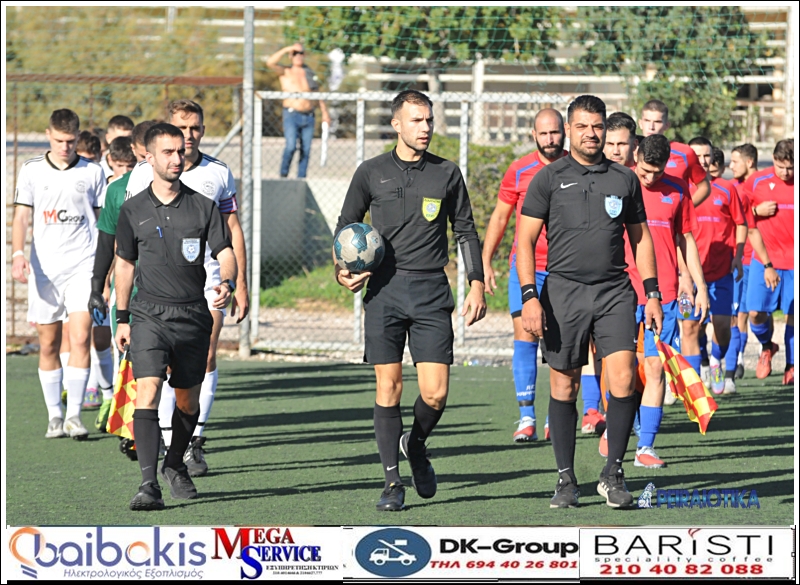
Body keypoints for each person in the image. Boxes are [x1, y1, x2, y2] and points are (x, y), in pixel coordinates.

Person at [334, 89, 486, 512]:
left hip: (431, 291)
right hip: (383, 291)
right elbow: (346, 227)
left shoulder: (447, 173)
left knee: (435, 394)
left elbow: (465, 231)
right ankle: (392, 482)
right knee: (389, 385)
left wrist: (475, 282)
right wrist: (341, 269)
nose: (425, 127)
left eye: (429, 120)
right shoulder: (370, 172)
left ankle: (415, 444)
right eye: (416, 120)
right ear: (396, 124)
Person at [517, 95, 663, 509]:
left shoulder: (624, 179)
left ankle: (612, 473)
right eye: (582, 126)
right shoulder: (548, 178)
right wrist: (529, 297)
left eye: (597, 126)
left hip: (614, 291)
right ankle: (566, 479)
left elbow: (641, 239)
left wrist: (652, 292)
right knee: (564, 385)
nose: (591, 134)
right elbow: (525, 240)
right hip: (562, 293)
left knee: (624, 376)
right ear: (569, 129)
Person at [114, 123, 236, 511]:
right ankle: (148, 484)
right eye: (167, 152)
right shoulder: (133, 209)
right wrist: (121, 317)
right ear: (149, 157)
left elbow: (225, 251)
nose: (177, 158)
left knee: (187, 402)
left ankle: (174, 463)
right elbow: (124, 264)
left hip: (193, 314)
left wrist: (228, 282)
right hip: (148, 314)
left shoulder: (203, 206)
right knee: (148, 392)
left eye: (180, 151)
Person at [11, 108, 106, 440]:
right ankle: (55, 416)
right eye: (60, 140)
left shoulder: (93, 172)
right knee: (49, 343)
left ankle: (75, 416)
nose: (65, 146)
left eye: (71, 140)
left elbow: (103, 223)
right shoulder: (32, 170)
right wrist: (18, 254)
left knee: (80, 337)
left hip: (84, 266)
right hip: (45, 270)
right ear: (48, 135)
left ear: (78, 137)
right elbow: (22, 217)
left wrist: (106, 268)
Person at [618, 134, 708, 468]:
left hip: (665, 293)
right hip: (621, 290)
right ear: (636, 155)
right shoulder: (619, 182)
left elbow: (686, 239)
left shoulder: (678, 189)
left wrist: (697, 283)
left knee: (656, 366)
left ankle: (646, 447)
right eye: (644, 170)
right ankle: (617, 426)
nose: (649, 178)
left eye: (657, 172)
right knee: (624, 368)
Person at [481, 108, 567, 443]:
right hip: (526, 267)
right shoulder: (519, 170)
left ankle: (555, 417)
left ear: (565, 131)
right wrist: (486, 260)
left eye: (555, 132)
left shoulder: (577, 166)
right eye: (543, 133)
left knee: (561, 343)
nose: (550, 139)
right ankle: (526, 416)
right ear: (534, 135)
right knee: (526, 334)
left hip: (566, 270)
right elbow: (500, 217)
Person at [90, 120, 158, 435]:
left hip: (172, 291)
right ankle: (132, 429)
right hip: (132, 289)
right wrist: (97, 286)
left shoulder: (185, 188)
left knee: (166, 365)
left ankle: (166, 431)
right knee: (129, 358)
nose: (147, 165)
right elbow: (107, 244)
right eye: (143, 156)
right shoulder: (118, 190)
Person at [681, 137, 747, 394]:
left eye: (707, 156)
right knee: (691, 326)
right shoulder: (679, 188)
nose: (703, 160)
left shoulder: (727, 188)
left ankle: (716, 360)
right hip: (688, 274)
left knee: (722, 326)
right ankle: (695, 385)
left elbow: (741, 223)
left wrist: (738, 256)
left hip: (721, 272)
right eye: (697, 156)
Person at [745, 139, 794, 385]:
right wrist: (756, 211)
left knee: (794, 315)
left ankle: (792, 366)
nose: (785, 172)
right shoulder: (757, 181)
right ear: (773, 159)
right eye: (781, 166)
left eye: (791, 168)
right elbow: (740, 215)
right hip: (764, 260)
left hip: (794, 263)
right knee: (755, 313)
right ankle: (767, 345)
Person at [266, 42, 331, 178]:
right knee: (291, 146)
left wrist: (325, 112)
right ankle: (283, 175)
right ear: (290, 56)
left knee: (306, 150)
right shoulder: (286, 71)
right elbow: (270, 63)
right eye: (295, 53)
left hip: (309, 115)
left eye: (301, 53)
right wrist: (287, 49)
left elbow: (317, 93)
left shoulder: (309, 72)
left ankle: (301, 178)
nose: (298, 56)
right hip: (292, 114)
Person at [638, 99, 711, 206]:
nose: (651, 127)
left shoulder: (685, 153)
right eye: (647, 121)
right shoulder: (631, 151)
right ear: (640, 123)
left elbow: (704, 187)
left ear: (667, 125)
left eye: (657, 122)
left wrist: (684, 209)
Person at [729, 144, 759, 378]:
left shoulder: (764, 184)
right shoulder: (733, 188)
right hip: (739, 258)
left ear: (749, 162)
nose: (731, 166)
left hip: (760, 259)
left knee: (755, 312)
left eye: (735, 161)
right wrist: (757, 211)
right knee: (739, 312)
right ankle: (737, 360)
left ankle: (765, 347)